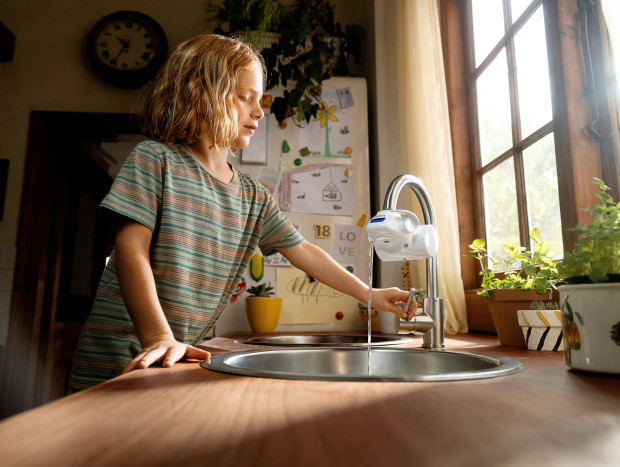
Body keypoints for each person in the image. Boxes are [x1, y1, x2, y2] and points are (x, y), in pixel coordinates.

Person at [68, 34, 415, 392]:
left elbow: (306, 253)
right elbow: (131, 250)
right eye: (245, 97)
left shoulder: (253, 196)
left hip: (176, 355)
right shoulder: (155, 161)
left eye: (259, 99)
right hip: (118, 356)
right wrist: (157, 336)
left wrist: (370, 294)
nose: (259, 111)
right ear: (201, 94)